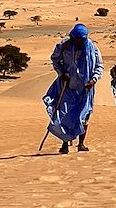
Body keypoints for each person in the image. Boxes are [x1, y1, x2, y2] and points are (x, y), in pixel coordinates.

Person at [43, 23, 103, 154]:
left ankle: (81, 144)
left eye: (82, 39)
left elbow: (99, 66)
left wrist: (93, 80)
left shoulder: (92, 48)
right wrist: (61, 73)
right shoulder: (64, 46)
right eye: (77, 39)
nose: (80, 41)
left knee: (84, 115)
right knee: (65, 115)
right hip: (68, 86)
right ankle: (65, 144)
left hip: (86, 88)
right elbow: (55, 59)